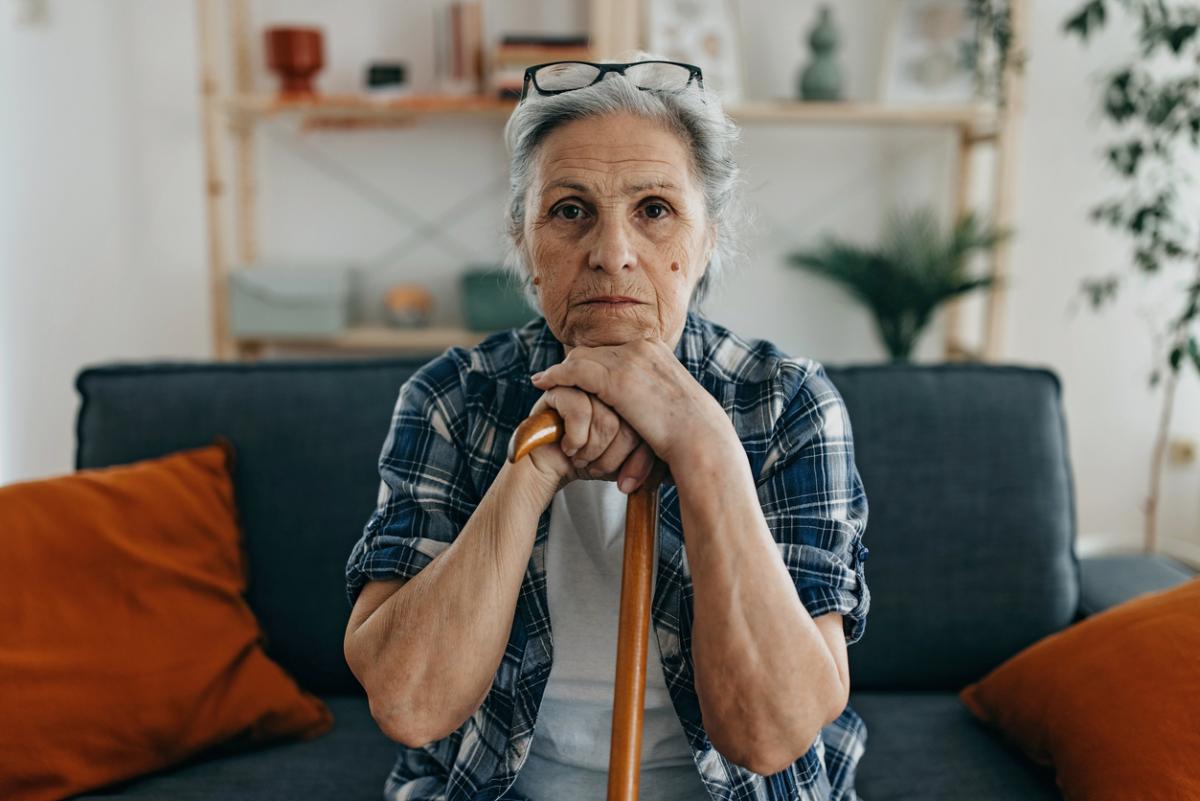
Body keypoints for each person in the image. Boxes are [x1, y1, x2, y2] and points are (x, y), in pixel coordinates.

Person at [343, 52, 871, 801]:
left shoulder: (788, 401)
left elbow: (771, 734)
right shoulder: (452, 398)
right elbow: (409, 704)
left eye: (654, 210)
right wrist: (533, 463)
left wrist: (705, 445)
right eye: (569, 210)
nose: (612, 253)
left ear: (708, 236)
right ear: (523, 239)